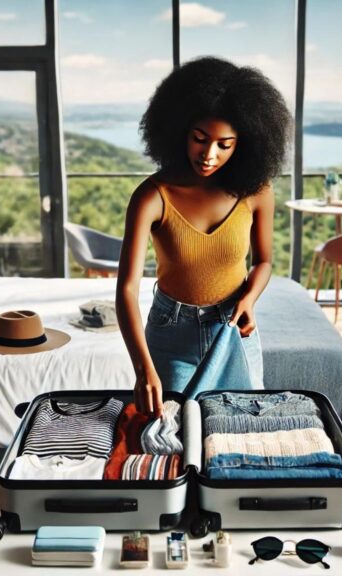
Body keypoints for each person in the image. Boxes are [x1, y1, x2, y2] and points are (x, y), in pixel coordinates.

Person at [115, 57, 292, 416]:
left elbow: (264, 261)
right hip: (171, 335)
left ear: (244, 144)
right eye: (199, 139)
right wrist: (142, 367)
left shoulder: (256, 191)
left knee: (243, 433)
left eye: (224, 144)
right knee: (171, 438)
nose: (209, 155)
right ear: (180, 130)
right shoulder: (152, 196)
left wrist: (249, 299)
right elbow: (126, 290)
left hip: (234, 332)